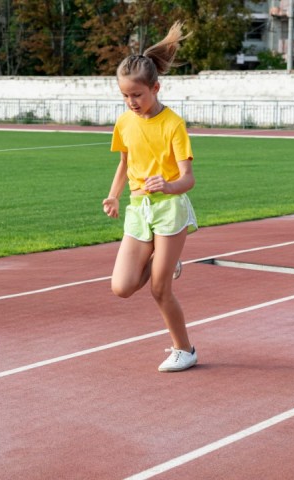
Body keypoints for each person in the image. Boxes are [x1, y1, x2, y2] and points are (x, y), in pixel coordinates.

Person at [102, 22, 199, 372]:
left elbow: (188, 179)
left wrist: (168, 186)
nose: (131, 102)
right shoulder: (125, 122)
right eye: (125, 96)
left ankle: (184, 349)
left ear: (155, 88)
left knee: (159, 289)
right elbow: (124, 163)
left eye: (137, 95)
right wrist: (113, 196)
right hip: (138, 209)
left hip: (171, 209)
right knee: (122, 287)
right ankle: (165, 259)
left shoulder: (173, 124)